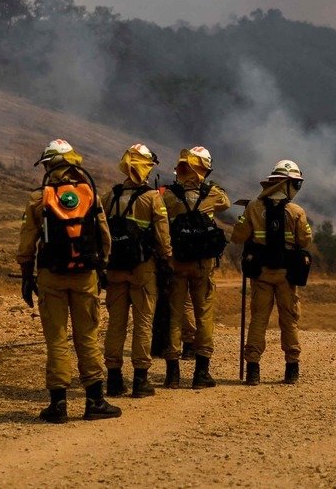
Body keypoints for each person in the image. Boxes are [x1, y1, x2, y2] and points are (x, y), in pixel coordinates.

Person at [16, 139, 121, 423]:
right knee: (87, 336)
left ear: (49, 165)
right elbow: (105, 238)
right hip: (85, 275)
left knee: (57, 339)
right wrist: (101, 268)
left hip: (51, 275)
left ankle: (58, 405)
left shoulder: (38, 198)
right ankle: (95, 401)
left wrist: (27, 275)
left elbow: (27, 243)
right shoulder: (90, 194)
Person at [232, 159, 314, 385]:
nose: (297, 189)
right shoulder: (296, 211)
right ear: (285, 185)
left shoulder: (253, 207)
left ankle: (253, 370)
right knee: (289, 320)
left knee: (258, 320)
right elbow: (305, 240)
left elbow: (238, 237)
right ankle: (292, 369)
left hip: (261, 273)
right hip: (287, 275)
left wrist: (246, 222)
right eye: (295, 184)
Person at [102, 143, 173, 398]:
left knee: (116, 324)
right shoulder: (152, 197)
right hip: (143, 269)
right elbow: (163, 236)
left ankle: (113, 379)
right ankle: (140, 380)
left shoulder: (109, 196)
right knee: (143, 322)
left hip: (114, 269)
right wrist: (166, 259)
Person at [160, 145, 231, 388]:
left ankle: (172, 374)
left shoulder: (169, 196)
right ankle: (201, 373)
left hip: (177, 263)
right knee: (204, 315)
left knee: (175, 315)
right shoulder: (212, 194)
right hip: (203, 265)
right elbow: (226, 203)